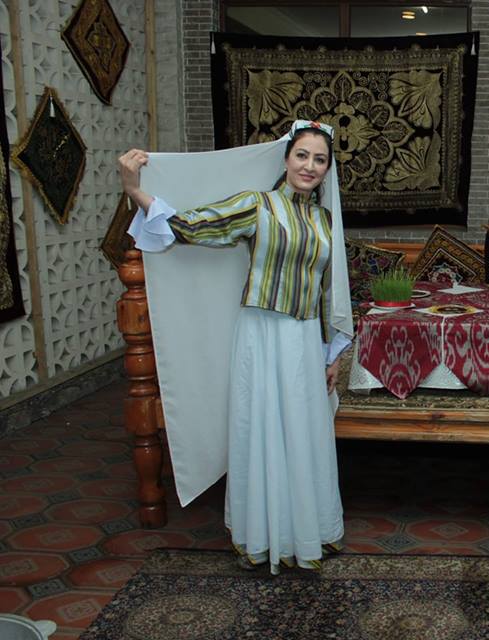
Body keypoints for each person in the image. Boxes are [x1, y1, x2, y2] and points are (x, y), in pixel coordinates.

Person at [118, 120, 353, 575]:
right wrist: (135, 190)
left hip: (305, 339)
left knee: (304, 432)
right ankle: (264, 534)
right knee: (264, 429)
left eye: (319, 159)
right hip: (262, 334)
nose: (309, 166)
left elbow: (328, 291)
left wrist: (332, 354)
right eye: (302, 155)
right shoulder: (256, 206)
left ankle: (307, 531)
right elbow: (191, 225)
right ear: (286, 159)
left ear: (328, 170)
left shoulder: (324, 221)